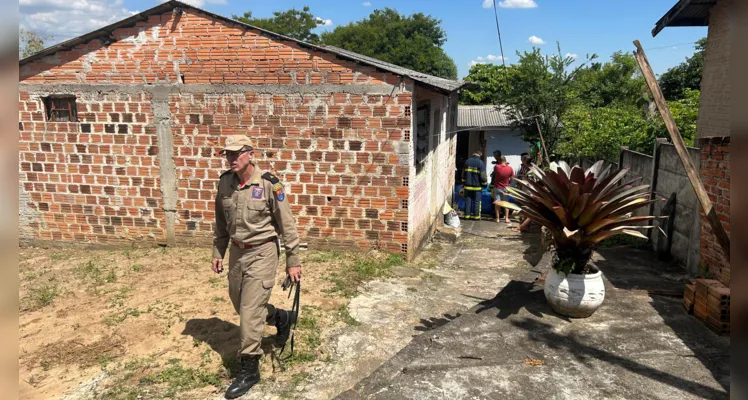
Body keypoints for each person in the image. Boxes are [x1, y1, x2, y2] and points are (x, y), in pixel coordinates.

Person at [211, 134, 302, 399]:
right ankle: (280, 318)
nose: (230, 159)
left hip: (263, 252)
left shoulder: (270, 185)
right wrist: (219, 250)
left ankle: (249, 368)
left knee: (249, 311)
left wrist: (292, 261)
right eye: (227, 154)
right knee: (240, 302)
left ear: (251, 154)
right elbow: (220, 221)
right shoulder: (225, 183)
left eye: (235, 153)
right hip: (238, 253)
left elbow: (287, 225)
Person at [462, 150, 487, 220]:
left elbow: (463, 173)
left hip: (467, 186)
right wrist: (484, 184)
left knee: (468, 201)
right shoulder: (480, 163)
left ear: (473, 154)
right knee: (477, 202)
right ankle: (476, 217)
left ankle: (467, 216)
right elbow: (483, 176)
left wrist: (463, 183)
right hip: (477, 187)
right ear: (480, 155)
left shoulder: (467, 161)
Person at [492, 156, 514, 224]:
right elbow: (512, 179)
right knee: (506, 203)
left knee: (497, 203)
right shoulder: (510, 168)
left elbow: (498, 166)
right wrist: (509, 182)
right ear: (505, 160)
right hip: (506, 188)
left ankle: (497, 218)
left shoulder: (497, 167)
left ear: (499, 161)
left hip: (497, 187)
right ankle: (506, 218)